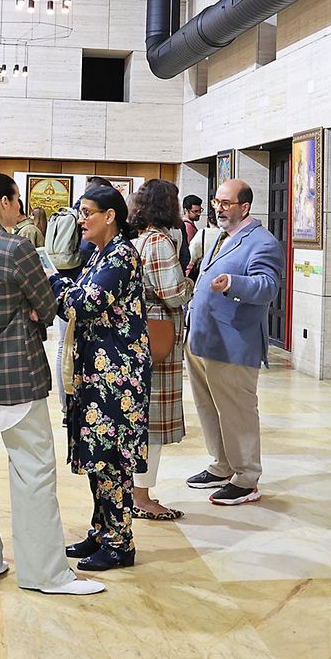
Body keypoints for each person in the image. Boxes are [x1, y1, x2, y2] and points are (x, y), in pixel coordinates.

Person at [0, 174, 103, 596]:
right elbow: (47, 305)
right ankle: (44, 573)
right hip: (15, 375)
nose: (20, 206)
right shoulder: (17, 248)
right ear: (3, 203)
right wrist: (33, 312)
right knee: (33, 474)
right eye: (16, 199)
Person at [52, 185, 151, 572]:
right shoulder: (100, 254)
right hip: (98, 369)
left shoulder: (122, 255)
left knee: (111, 459)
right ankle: (101, 531)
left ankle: (120, 543)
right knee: (97, 456)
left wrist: (55, 285)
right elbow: (78, 294)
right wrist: (66, 288)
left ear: (110, 216)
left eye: (88, 212)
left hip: (117, 374)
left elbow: (84, 303)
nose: (82, 219)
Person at [186, 179, 283, 506]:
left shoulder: (262, 242)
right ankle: (222, 464)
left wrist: (234, 283)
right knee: (210, 408)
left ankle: (246, 477)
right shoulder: (222, 238)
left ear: (245, 207)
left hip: (232, 343)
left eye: (226, 203)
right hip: (203, 340)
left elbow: (268, 286)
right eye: (216, 201)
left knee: (237, 411)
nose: (218, 207)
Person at [129, 180, 193, 520]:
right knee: (152, 421)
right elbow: (172, 292)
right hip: (159, 332)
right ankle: (142, 496)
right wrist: (191, 286)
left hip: (142, 330)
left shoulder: (138, 240)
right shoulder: (160, 242)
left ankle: (135, 491)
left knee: (140, 417)